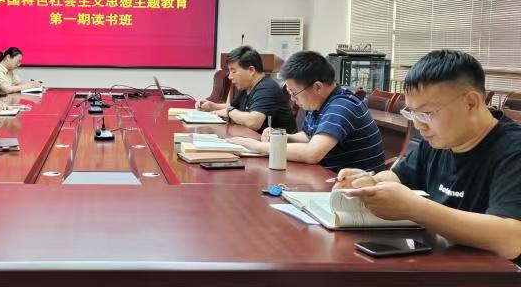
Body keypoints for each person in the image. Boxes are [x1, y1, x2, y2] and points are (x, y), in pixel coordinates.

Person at [334, 50, 521, 264]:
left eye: (426, 114)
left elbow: (511, 239)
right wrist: (369, 182)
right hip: (442, 262)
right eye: (412, 113)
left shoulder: (513, 150)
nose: (418, 125)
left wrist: (415, 208)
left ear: (470, 103)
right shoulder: (439, 140)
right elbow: (399, 177)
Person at [228, 50, 385, 173]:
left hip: (353, 189)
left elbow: (312, 153)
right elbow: (308, 136)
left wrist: (257, 146)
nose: (293, 99)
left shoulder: (341, 106)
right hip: (328, 176)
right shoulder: (320, 102)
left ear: (317, 87)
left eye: (294, 93)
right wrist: (281, 137)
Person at [195, 46, 295, 133]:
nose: (230, 77)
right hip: (254, 140)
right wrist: (212, 106)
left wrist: (228, 112)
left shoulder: (267, 88)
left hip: (278, 145)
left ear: (251, 70)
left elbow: (253, 122)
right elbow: (234, 108)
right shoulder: (247, 87)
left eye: (233, 71)